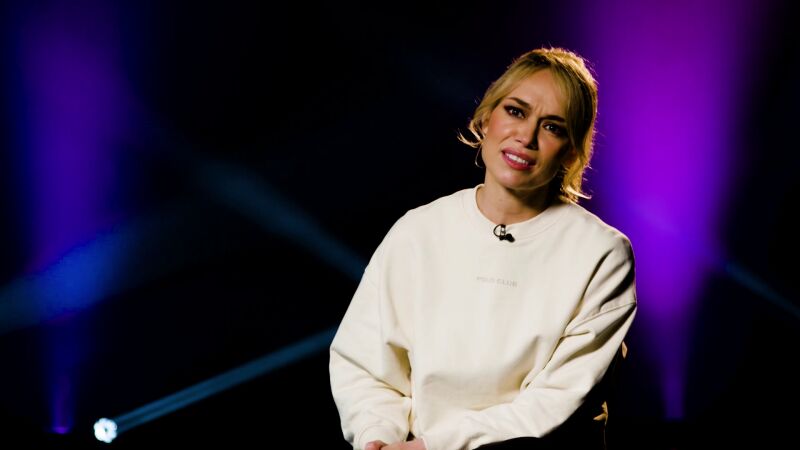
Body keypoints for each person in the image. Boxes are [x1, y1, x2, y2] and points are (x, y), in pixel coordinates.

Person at [329, 47, 637, 450]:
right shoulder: (417, 231)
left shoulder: (602, 253)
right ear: (486, 117)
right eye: (516, 111)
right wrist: (376, 438)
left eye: (553, 127)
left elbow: (557, 402)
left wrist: (427, 448)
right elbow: (365, 365)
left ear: (572, 150)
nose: (526, 137)